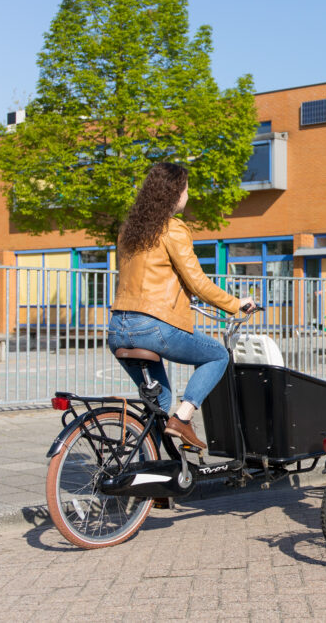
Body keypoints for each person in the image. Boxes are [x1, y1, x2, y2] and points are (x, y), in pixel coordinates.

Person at [107, 162, 253, 450]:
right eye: (186, 189)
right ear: (174, 193)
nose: (188, 195)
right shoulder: (172, 229)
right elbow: (197, 281)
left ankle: (149, 469)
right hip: (153, 326)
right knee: (217, 356)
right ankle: (184, 418)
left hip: (118, 328)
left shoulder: (128, 230)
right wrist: (236, 304)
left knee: (160, 402)